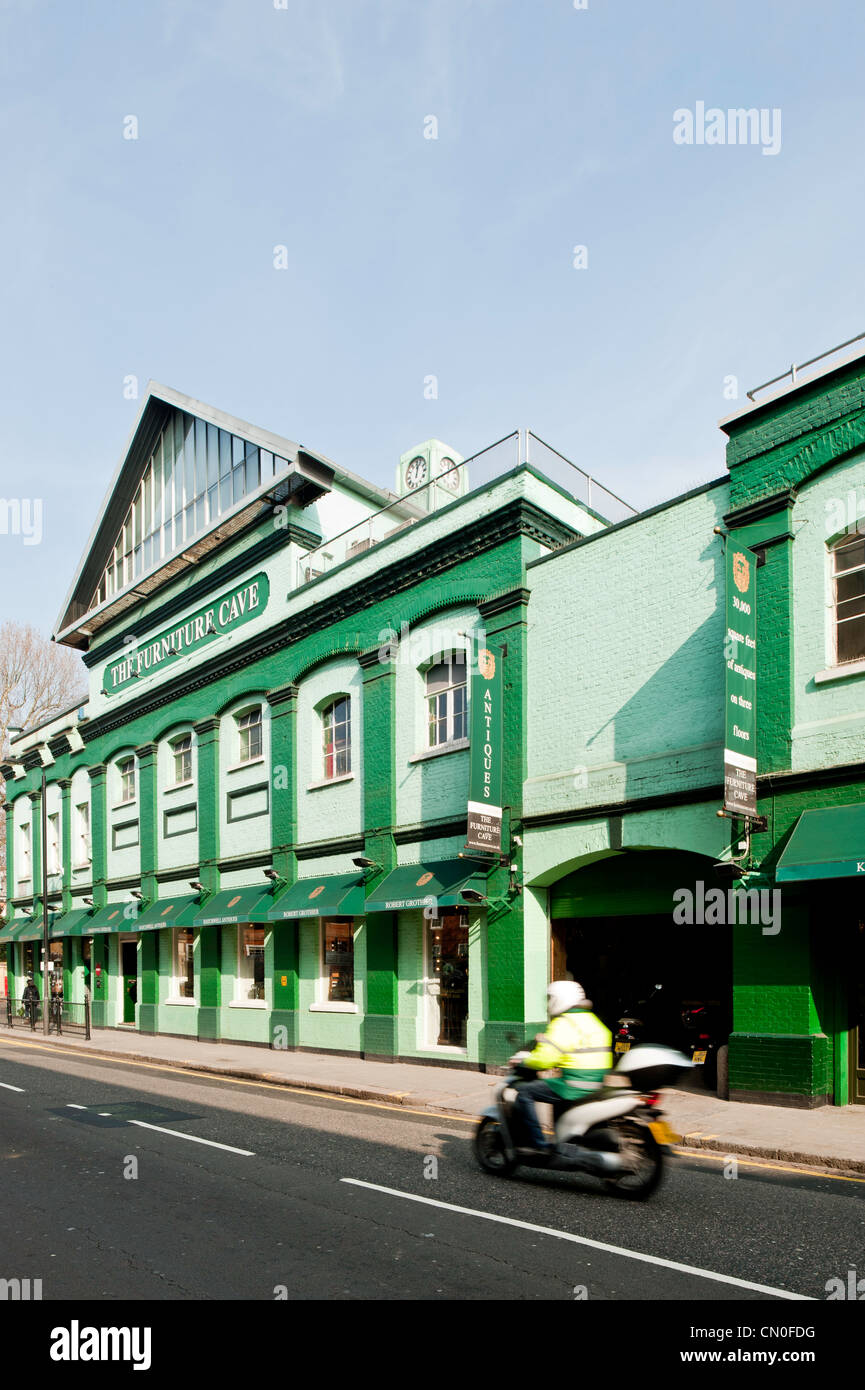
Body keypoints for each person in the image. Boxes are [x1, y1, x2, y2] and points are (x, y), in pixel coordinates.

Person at [514, 980, 613, 1154]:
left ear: (559, 999)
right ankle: (561, 1139)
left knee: (525, 1092)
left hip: (574, 1084)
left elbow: (545, 1058)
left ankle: (538, 1145)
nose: (549, 1002)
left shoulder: (565, 1023)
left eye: (551, 998)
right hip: (597, 1084)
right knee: (553, 1088)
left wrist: (524, 1063)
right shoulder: (593, 1020)